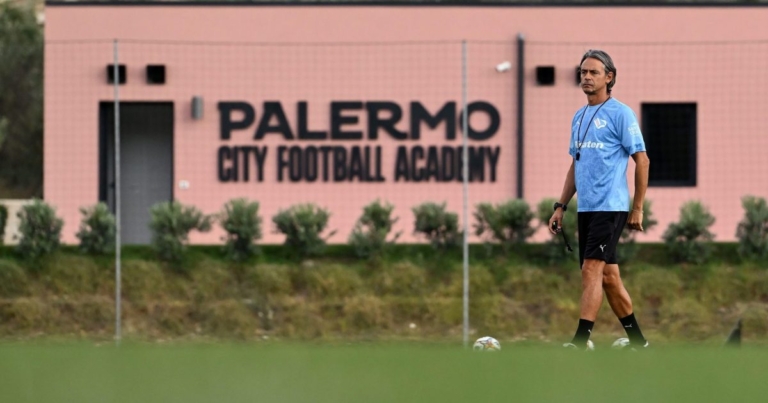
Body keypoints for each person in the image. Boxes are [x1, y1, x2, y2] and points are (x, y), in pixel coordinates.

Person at [548, 49, 651, 350]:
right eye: (583, 72)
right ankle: (639, 343)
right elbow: (576, 165)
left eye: (593, 72)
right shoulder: (579, 117)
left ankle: (580, 342)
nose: (587, 77)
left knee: (590, 269)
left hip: (611, 207)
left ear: (610, 77)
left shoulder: (621, 114)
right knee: (608, 278)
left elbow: (642, 161)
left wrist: (638, 208)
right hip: (588, 209)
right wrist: (561, 206)